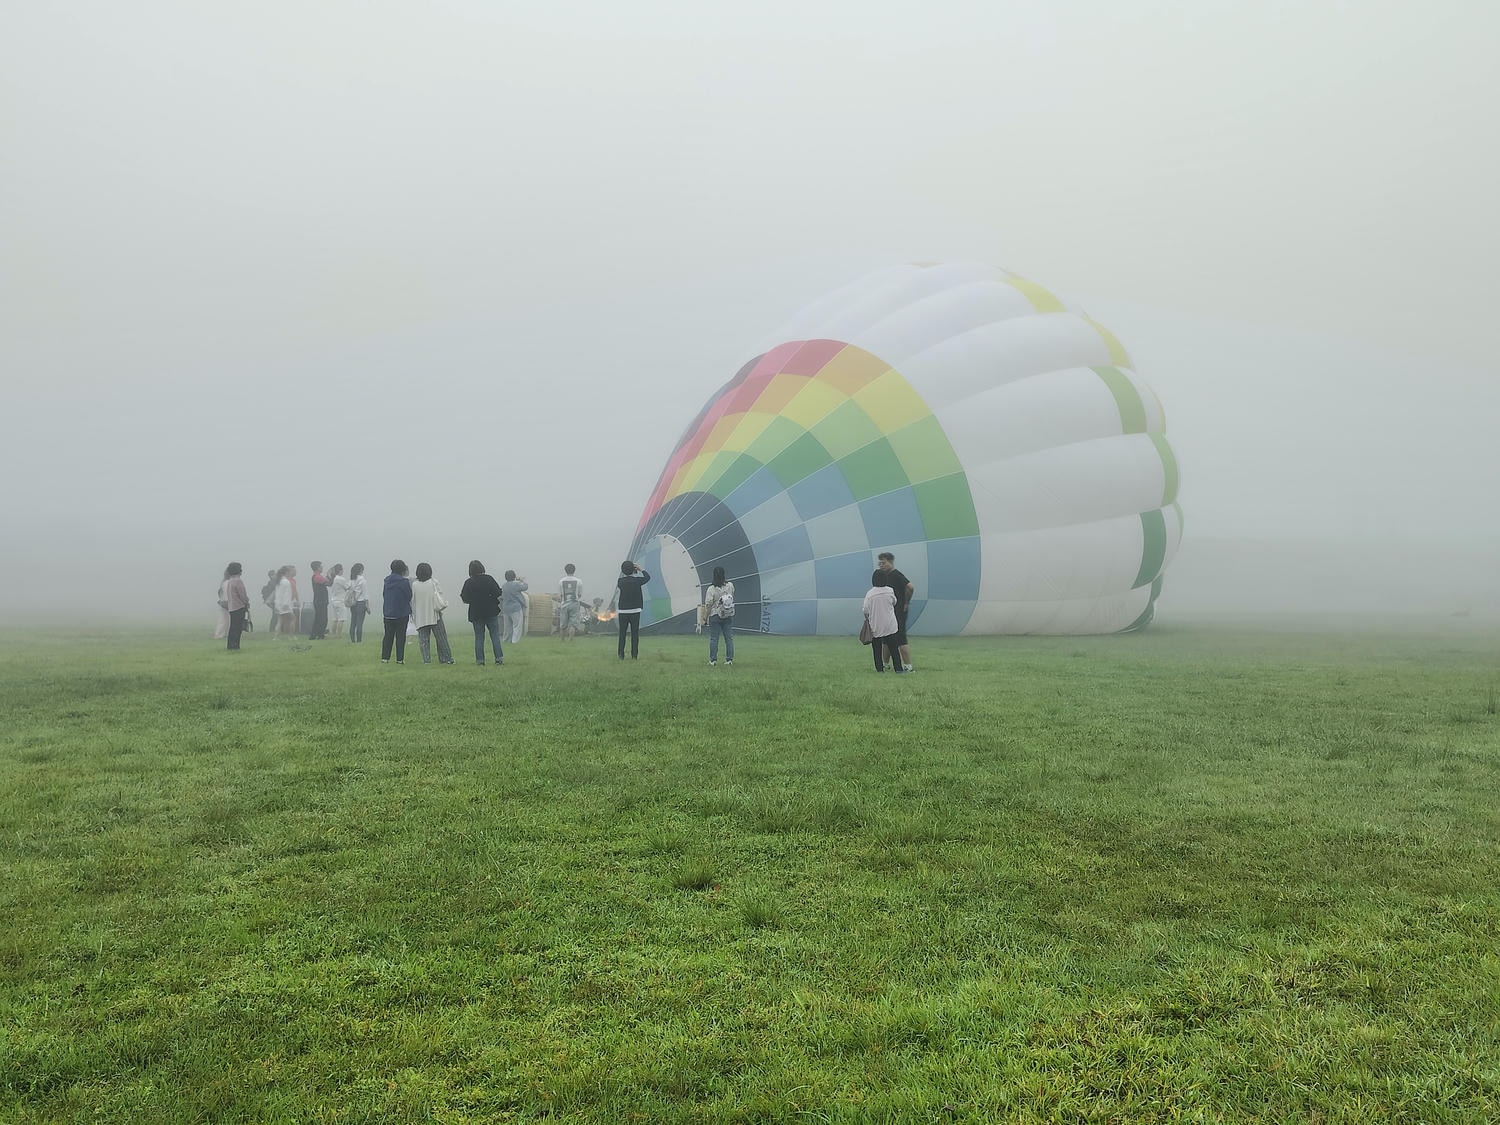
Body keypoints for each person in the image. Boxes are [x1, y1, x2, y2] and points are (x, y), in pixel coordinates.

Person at [876, 551, 915, 673]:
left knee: (900, 638)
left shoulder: (896, 575)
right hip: (889, 612)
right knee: (886, 639)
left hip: (899, 612)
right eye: (880, 563)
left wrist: (906, 603)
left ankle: (908, 666)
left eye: (884, 563)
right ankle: (885, 664)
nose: (881, 565)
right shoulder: (884, 576)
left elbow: (910, 587)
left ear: (891, 562)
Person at [460, 560, 504, 666]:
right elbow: (498, 592)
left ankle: (480, 660)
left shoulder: (469, 582)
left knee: (479, 637)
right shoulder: (489, 579)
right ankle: (499, 658)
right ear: (482, 568)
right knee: (495, 635)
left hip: (476, 613)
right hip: (491, 611)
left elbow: (464, 598)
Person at [410, 562, 455, 665]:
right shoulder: (433, 582)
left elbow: (413, 600)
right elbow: (440, 595)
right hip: (435, 615)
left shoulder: (414, 585)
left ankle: (426, 660)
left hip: (420, 616)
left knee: (423, 640)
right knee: (441, 638)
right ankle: (446, 659)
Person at [862, 570, 904, 673]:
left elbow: (865, 609)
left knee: (877, 650)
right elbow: (894, 602)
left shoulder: (870, 593)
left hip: (876, 625)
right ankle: (898, 669)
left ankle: (879, 669)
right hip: (890, 625)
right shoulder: (890, 590)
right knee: (894, 649)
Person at [611, 560, 651, 660]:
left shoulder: (620, 581)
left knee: (622, 634)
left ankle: (621, 655)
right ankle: (634, 656)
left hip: (623, 611)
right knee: (634, 634)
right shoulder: (637, 581)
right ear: (634, 570)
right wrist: (641, 569)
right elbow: (647, 577)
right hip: (635, 611)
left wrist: (629, 570)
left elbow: (626, 576)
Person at [700, 565, 735, 667]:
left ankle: (713, 660)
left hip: (715, 615)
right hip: (728, 614)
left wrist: (705, 617)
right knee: (729, 638)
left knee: (714, 638)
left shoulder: (711, 589)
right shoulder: (730, 586)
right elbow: (732, 596)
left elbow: (708, 604)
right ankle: (729, 660)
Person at [381, 559, 413, 664]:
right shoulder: (404, 582)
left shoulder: (386, 580)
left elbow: (384, 594)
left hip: (388, 613)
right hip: (401, 613)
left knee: (388, 636)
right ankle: (400, 659)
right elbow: (409, 596)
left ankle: (385, 658)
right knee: (400, 636)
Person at [223, 562, 250, 651]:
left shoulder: (230, 581)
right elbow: (242, 594)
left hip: (231, 607)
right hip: (239, 606)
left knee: (232, 627)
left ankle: (230, 645)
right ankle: (235, 646)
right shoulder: (238, 581)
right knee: (238, 628)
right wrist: (246, 602)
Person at [556, 563, 584, 641]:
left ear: (565, 570)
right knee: (573, 624)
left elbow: (560, 595)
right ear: (574, 570)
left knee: (563, 624)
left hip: (564, 603)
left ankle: (562, 640)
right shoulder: (579, 581)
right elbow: (579, 594)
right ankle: (571, 640)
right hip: (574, 603)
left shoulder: (561, 581)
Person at [501, 570, 529, 645]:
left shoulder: (504, 586)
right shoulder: (516, 585)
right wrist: (522, 580)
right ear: (514, 576)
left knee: (507, 627)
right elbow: (525, 587)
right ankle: (514, 641)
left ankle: (506, 640)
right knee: (517, 626)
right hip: (515, 608)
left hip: (506, 608)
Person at [347, 563, 369, 643]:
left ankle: (352, 640)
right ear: (360, 570)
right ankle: (359, 640)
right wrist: (367, 606)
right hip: (361, 603)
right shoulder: (362, 580)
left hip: (353, 603)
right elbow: (365, 594)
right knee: (359, 623)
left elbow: (348, 589)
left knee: (353, 622)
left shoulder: (351, 580)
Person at [273, 565, 296, 639]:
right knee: (293, 619)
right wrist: (286, 604)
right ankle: (291, 636)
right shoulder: (286, 582)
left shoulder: (279, 581)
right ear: (286, 572)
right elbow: (287, 594)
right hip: (285, 605)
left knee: (279, 621)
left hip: (278, 604)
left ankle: (275, 637)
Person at [308, 561, 329, 639]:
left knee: (320, 618)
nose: (322, 567)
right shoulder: (317, 577)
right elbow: (328, 582)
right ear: (317, 568)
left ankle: (318, 634)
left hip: (320, 600)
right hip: (320, 600)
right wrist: (330, 575)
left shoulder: (318, 576)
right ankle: (317, 634)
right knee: (321, 619)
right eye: (321, 566)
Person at [327, 563, 349, 638]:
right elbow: (347, 587)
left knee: (335, 619)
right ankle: (338, 635)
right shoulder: (341, 579)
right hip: (340, 600)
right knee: (341, 619)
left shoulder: (333, 579)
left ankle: (333, 634)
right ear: (339, 571)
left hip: (333, 600)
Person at [260, 570, 279, 635]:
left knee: (275, 615)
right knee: (275, 615)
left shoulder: (273, 582)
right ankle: (272, 629)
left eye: (274, 574)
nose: (274, 575)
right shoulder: (272, 583)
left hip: (273, 601)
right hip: (273, 601)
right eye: (272, 574)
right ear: (270, 576)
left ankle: (272, 629)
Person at [214, 571, 231, 639]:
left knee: (224, 620)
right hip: (226, 603)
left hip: (223, 603)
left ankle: (222, 634)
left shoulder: (224, 582)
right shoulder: (228, 583)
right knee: (224, 620)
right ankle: (219, 635)